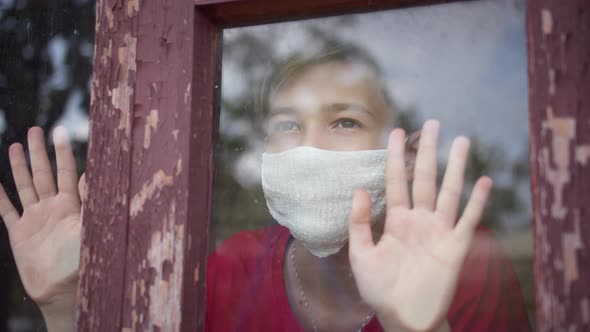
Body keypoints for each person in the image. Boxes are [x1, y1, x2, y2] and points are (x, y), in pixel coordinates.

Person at [0, 46, 530, 332]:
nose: (308, 148)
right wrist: (66, 309)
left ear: (406, 150)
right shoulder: (232, 268)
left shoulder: (465, 263)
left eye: (344, 122)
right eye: (286, 125)